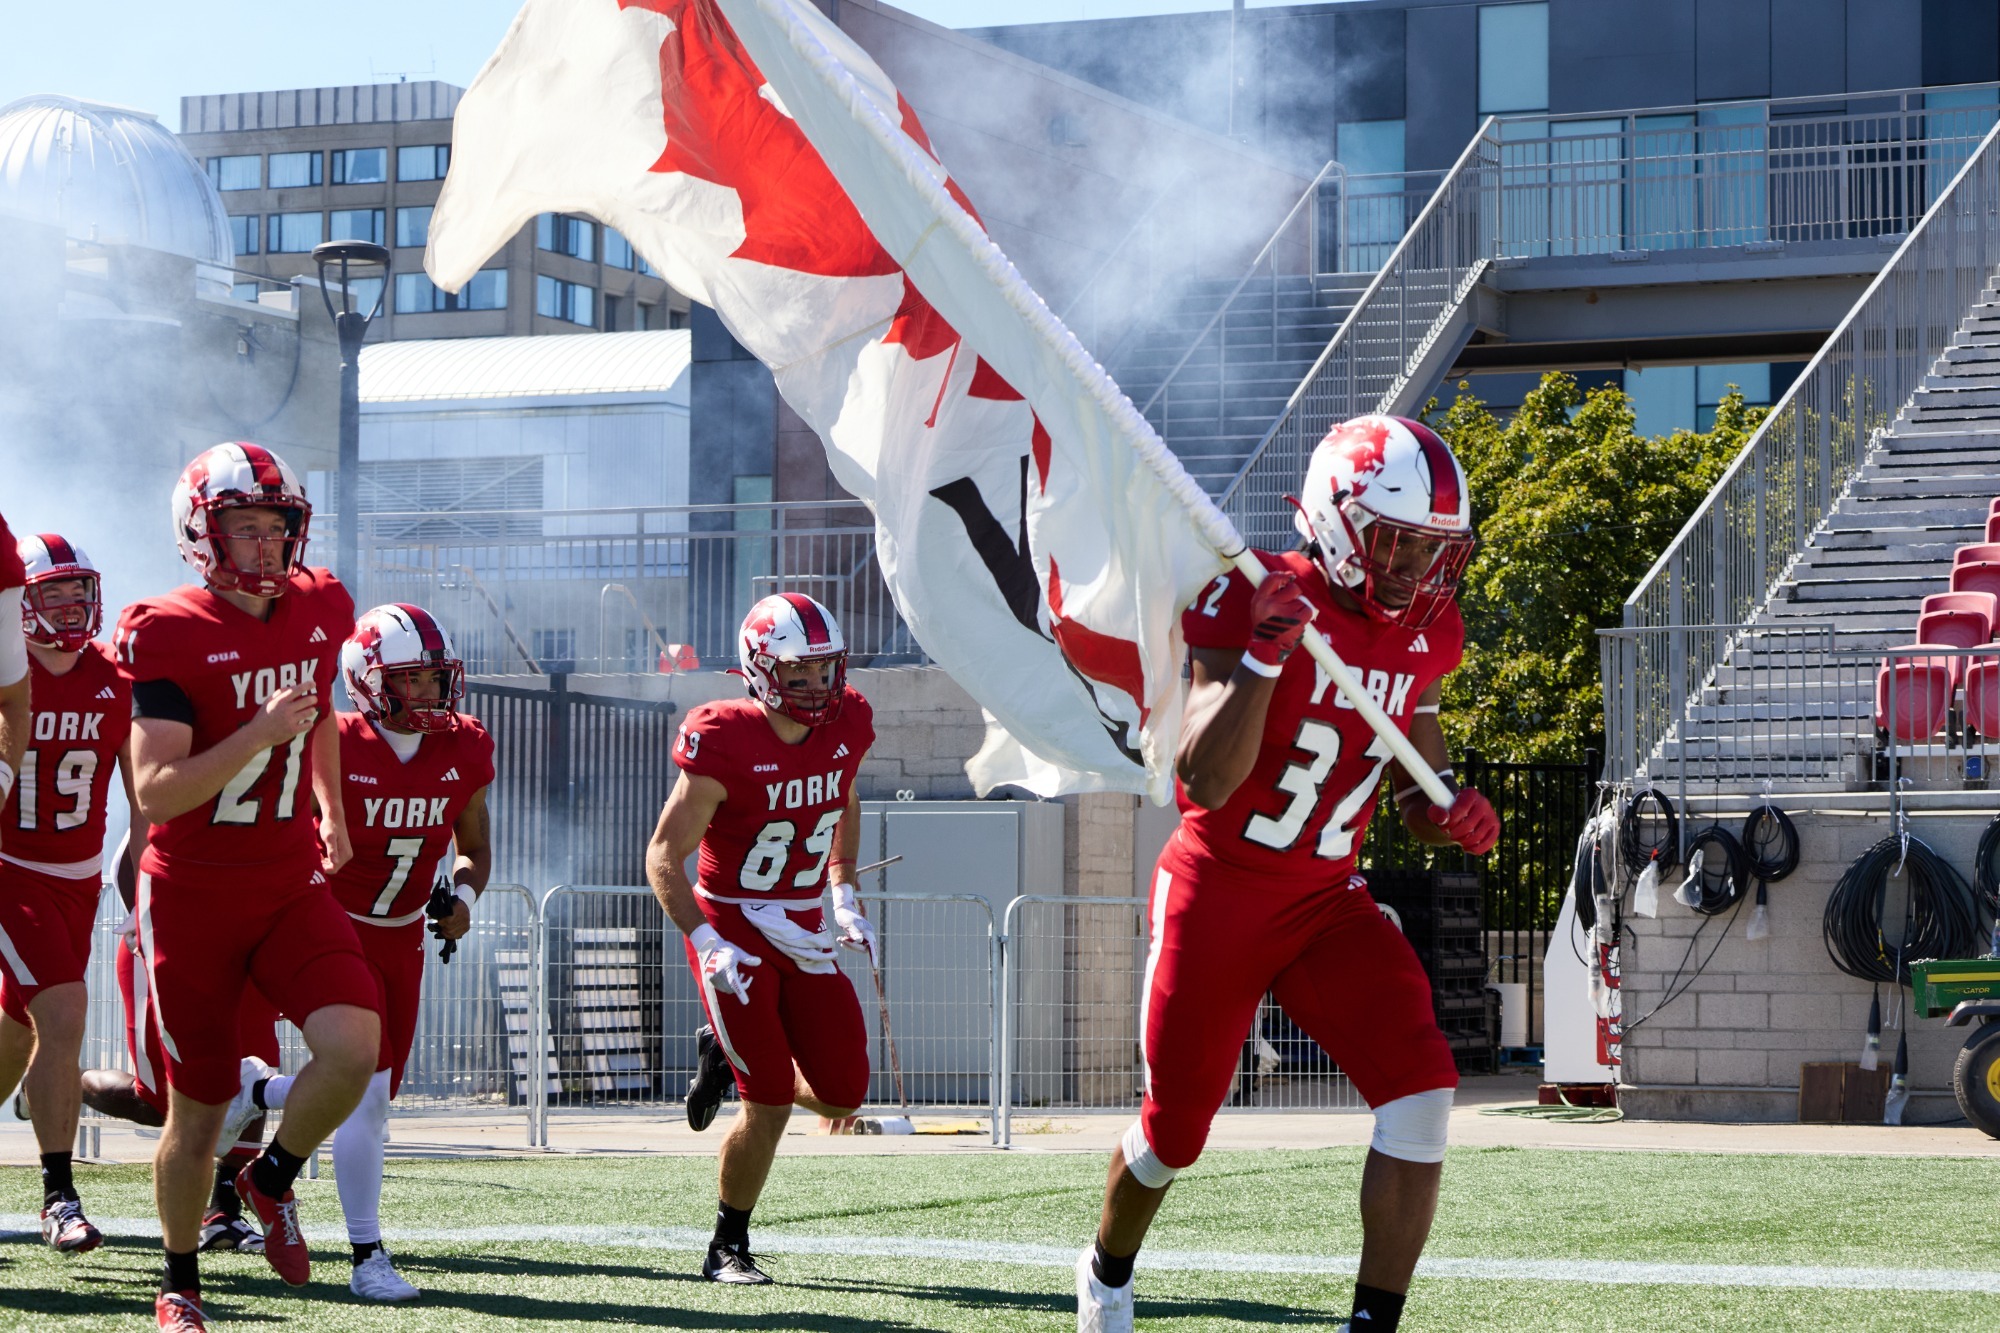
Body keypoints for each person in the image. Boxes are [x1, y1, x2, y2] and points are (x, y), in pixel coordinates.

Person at [1077, 416, 1503, 1333]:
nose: (1410, 569)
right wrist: (1265, 654)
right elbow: (1204, 777)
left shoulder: (1429, 629)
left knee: (1423, 1089)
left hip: (1325, 897)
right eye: (1394, 541)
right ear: (1338, 521)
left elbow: (1412, 791)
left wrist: (1451, 813)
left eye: (1431, 550)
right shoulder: (1253, 593)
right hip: (1221, 884)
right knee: (1172, 1134)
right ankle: (1108, 1269)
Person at [117, 442, 381, 1330]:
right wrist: (262, 731)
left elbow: (318, 710)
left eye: (277, 528)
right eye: (244, 528)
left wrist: (331, 805)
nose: (265, 548)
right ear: (204, 534)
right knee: (197, 1111)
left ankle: (269, 1177)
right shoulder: (166, 627)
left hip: (283, 876)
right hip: (191, 892)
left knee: (354, 1043)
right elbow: (155, 791)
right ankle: (179, 1279)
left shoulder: (321, 604)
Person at [644, 593, 878, 1285]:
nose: (816, 686)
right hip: (734, 924)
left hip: (803, 921)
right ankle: (726, 1246)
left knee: (842, 1094)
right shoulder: (722, 737)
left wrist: (843, 889)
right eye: (798, 673)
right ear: (761, 670)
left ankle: (724, 1055)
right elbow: (662, 854)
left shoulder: (851, 721)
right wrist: (704, 937)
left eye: (824, 670)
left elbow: (845, 797)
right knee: (771, 1098)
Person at [322, 602, 494, 1302]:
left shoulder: (465, 745)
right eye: (414, 679)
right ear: (368, 681)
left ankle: (256, 1176)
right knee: (357, 1088)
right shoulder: (330, 740)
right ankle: (365, 1250)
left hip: (398, 937)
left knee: (373, 1097)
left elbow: (475, 849)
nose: (431, 691)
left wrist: (463, 899)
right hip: (322, 927)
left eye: (435, 677)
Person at [0, 535, 135, 1253]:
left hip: (76, 879)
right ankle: (59, 1193)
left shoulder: (118, 674)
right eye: (53, 592)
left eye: (78, 590)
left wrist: (148, 871)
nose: (72, 604)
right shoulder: (5, 674)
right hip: (10, 866)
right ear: (21, 603)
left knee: (18, 1033)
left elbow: (142, 796)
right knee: (63, 1010)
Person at [79, 834, 281, 1256]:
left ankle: (223, 1209)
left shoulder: (293, 786)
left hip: (245, 943)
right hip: (164, 943)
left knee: (256, 1071)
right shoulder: (197, 774)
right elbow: (127, 855)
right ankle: (58, 1085)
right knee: (161, 1106)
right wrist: (145, 917)